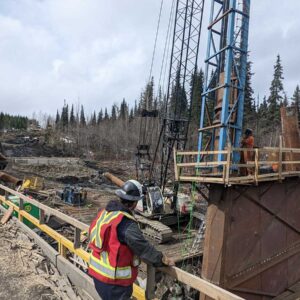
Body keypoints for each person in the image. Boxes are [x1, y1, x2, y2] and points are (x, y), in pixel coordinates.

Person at [88, 179, 175, 300]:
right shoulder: (125, 223)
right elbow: (144, 249)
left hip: (97, 276)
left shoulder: (105, 213)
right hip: (114, 285)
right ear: (134, 202)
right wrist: (161, 259)